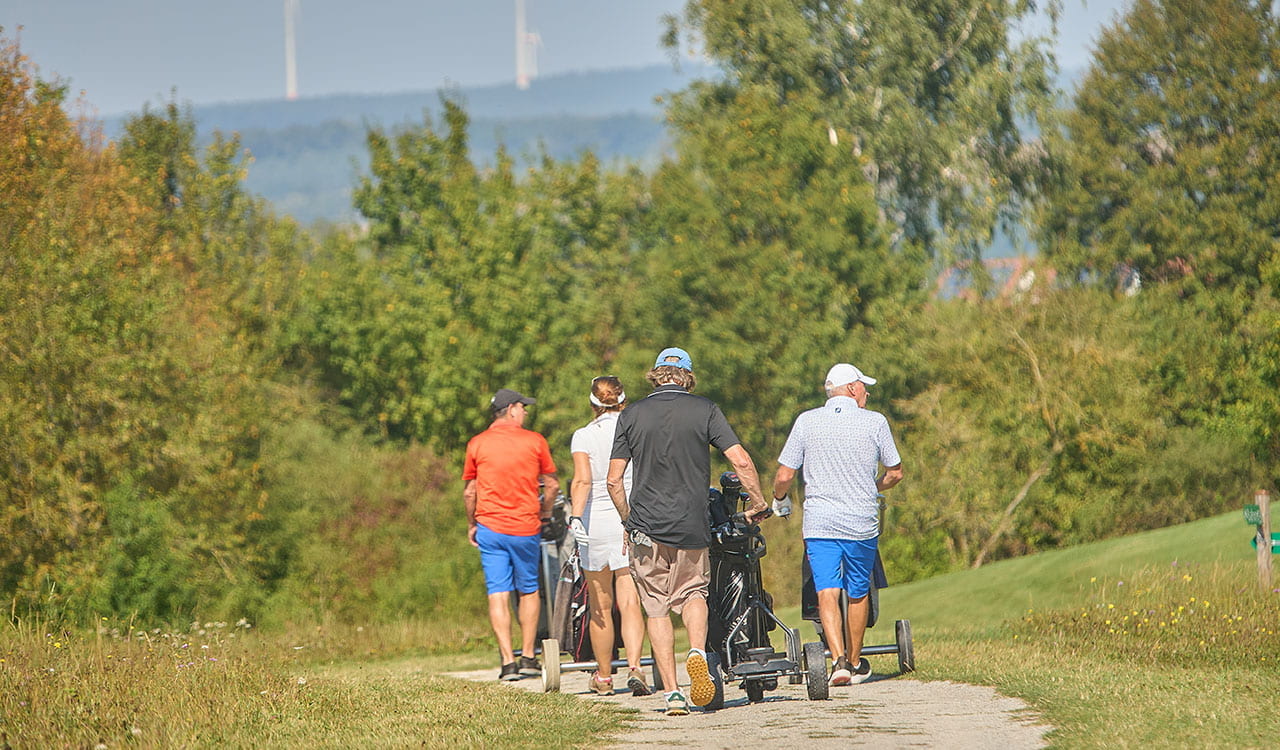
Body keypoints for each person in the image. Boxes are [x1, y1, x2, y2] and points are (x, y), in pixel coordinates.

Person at [607, 347, 768, 716]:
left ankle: (674, 693)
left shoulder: (631, 414)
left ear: (655, 374)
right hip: (692, 523)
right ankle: (697, 651)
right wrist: (758, 502)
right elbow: (740, 459)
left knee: (657, 608)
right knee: (694, 592)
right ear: (688, 377)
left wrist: (628, 520)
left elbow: (614, 480)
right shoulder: (705, 409)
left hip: (647, 526)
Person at [770, 363, 903, 686]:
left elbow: (785, 475)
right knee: (858, 592)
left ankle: (839, 661)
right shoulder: (875, 421)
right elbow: (895, 472)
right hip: (860, 521)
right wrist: (870, 487)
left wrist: (780, 500)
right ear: (853, 389)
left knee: (826, 591)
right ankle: (856, 662)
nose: (867, 393)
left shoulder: (806, 420)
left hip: (820, 523)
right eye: (864, 388)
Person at [463, 387, 560, 681]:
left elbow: (470, 491)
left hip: (490, 528)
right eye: (524, 407)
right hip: (525, 526)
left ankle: (507, 662)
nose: (526, 412)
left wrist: (472, 523)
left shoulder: (477, 444)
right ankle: (529, 657)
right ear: (513, 409)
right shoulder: (534, 441)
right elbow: (552, 486)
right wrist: (544, 512)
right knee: (529, 590)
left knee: (497, 593)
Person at [568, 376, 651, 697]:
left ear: (592, 403)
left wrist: (575, 518)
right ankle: (635, 667)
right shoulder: (634, 428)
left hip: (595, 523)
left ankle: (603, 676)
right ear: (623, 400)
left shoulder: (584, 435)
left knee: (600, 605)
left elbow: (583, 481)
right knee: (630, 600)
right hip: (630, 517)